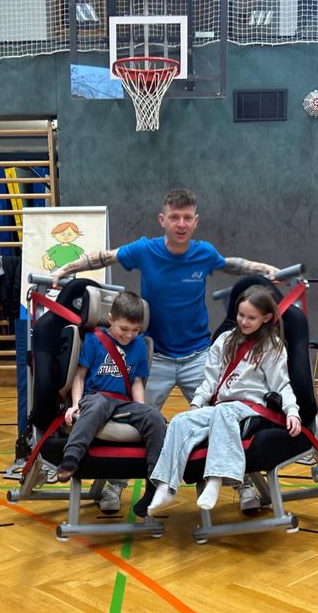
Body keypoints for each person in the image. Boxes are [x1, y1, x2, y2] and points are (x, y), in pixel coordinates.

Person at [52, 187, 279, 513]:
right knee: (132, 420)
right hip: (153, 356)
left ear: (195, 221)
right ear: (163, 220)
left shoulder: (203, 253)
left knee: (222, 417)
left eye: (188, 217)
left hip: (198, 355)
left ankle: (243, 485)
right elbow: (105, 256)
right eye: (175, 217)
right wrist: (64, 270)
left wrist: (265, 269)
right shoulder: (145, 250)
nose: (182, 223)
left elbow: (231, 264)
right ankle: (115, 486)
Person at [146, 285, 302, 515]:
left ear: (266, 318)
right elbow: (209, 381)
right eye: (241, 315)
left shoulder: (272, 346)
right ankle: (166, 486)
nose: (244, 321)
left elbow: (282, 385)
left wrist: (292, 411)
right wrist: (196, 405)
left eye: (252, 318)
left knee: (224, 412)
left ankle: (216, 479)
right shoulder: (225, 341)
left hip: (252, 409)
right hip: (222, 407)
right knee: (180, 421)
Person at [54, 291, 166, 515]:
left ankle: (154, 484)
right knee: (96, 406)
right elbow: (80, 375)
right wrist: (76, 404)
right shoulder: (95, 340)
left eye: (135, 330)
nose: (129, 335)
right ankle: (71, 458)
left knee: (155, 418)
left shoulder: (139, 346)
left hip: (123, 403)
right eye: (124, 329)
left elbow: (136, 382)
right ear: (111, 319)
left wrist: (142, 409)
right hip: (97, 396)